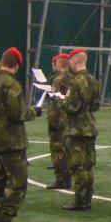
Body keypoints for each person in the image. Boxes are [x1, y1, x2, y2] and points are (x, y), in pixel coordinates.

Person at [0, 46, 39, 222]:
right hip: (11, 140)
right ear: (16, 65)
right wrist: (33, 112)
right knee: (17, 183)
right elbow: (17, 113)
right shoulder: (12, 85)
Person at [60, 48, 101, 211]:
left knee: (78, 166)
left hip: (76, 128)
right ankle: (87, 197)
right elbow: (96, 106)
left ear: (74, 61)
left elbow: (71, 107)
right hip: (90, 126)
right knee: (88, 164)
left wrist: (62, 101)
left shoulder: (75, 82)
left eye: (70, 61)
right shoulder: (93, 80)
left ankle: (80, 199)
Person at [45, 52, 72, 189]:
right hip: (68, 119)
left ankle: (61, 179)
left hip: (58, 119)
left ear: (59, 65)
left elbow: (55, 101)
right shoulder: (72, 78)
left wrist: (52, 122)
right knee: (66, 149)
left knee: (57, 150)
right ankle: (68, 177)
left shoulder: (58, 80)